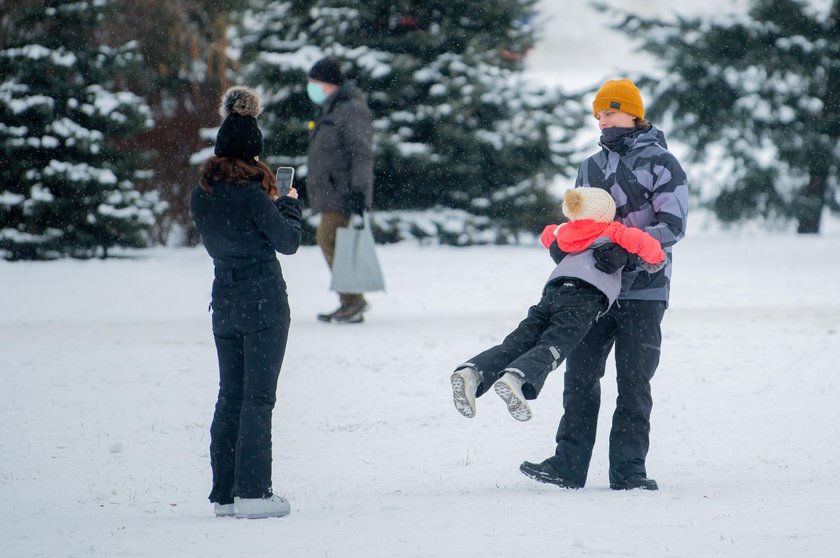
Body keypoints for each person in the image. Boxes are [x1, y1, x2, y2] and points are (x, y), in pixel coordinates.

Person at [518, 78, 689, 491]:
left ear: (633, 113)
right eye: (597, 115)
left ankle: (629, 470)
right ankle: (567, 464)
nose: (602, 121)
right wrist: (566, 249)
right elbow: (581, 222)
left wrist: (629, 251)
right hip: (594, 288)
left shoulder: (663, 163)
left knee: (633, 382)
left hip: (645, 290)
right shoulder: (590, 167)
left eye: (609, 112)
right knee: (579, 376)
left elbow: (674, 224)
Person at [450, 187, 666, 422]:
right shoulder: (613, 230)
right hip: (585, 295)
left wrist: (561, 239)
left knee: (519, 340)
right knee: (556, 342)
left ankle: (474, 371)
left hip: (553, 291)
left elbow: (547, 234)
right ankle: (518, 377)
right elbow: (649, 246)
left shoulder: (566, 230)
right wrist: (656, 261)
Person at [190, 86, 303, 518]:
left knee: (229, 396)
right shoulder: (254, 194)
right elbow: (288, 243)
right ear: (254, 152)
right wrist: (289, 207)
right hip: (263, 301)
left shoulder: (203, 192)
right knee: (259, 398)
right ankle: (255, 493)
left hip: (224, 299)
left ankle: (225, 495)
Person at [305, 57, 374, 324]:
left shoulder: (349, 110)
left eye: (315, 82)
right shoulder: (331, 108)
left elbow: (361, 153)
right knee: (334, 241)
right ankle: (349, 300)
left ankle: (353, 300)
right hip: (333, 191)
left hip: (344, 192)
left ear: (328, 83)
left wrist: (359, 191)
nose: (311, 87)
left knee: (329, 238)